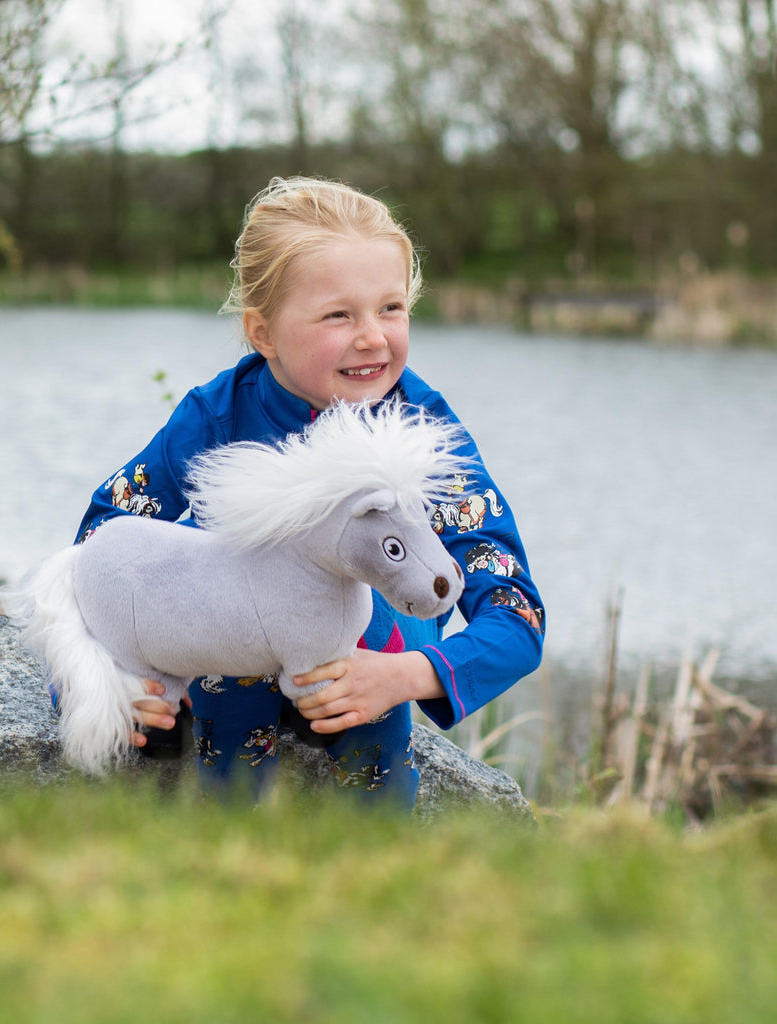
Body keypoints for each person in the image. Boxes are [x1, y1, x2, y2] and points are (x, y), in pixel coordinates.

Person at [72, 176, 544, 810]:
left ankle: (373, 851)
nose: (373, 336)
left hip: (363, 667)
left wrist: (402, 678)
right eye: (338, 315)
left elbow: (516, 614)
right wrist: (112, 682)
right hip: (230, 657)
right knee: (221, 681)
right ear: (263, 333)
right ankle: (224, 835)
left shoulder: (422, 436)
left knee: (364, 643)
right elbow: (100, 544)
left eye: (391, 308)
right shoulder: (216, 418)